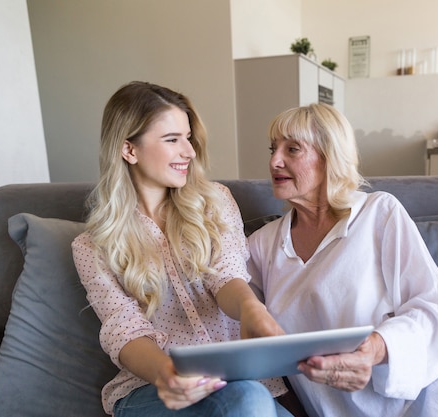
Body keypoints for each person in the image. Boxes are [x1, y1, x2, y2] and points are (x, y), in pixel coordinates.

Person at [247, 103, 438, 417]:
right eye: (272, 149)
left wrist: (372, 351)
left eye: (292, 149)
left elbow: (432, 306)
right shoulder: (264, 245)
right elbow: (219, 294)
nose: (275, 161)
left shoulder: (377, 213)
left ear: (330, 157)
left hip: (437, 398)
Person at [72, 81, 297, 417]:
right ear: (129, 150)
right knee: (249, 402)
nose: (189, 152)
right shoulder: (92, 246)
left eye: (188, 137)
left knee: (250, 400)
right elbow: (124, 330)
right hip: (155, 390)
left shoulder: (215, 202)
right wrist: (169, 374)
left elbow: (226, 275)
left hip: (238, 384)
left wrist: (251, 309)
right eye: (172, 139)